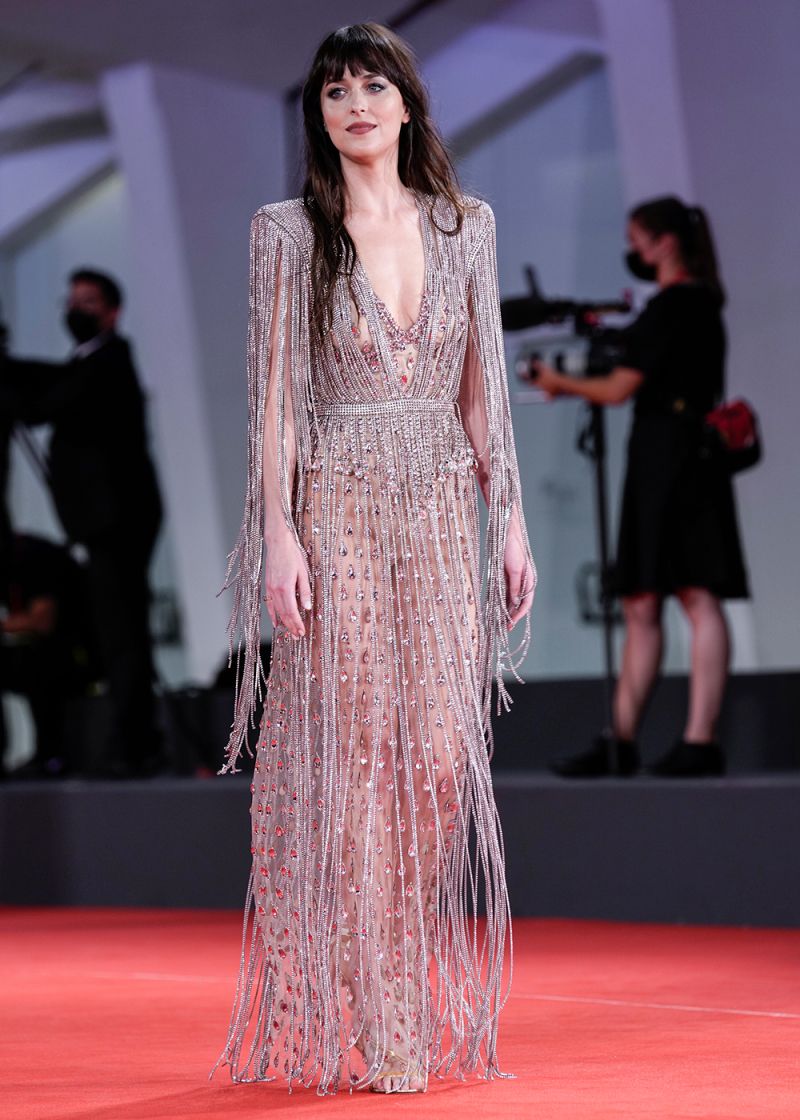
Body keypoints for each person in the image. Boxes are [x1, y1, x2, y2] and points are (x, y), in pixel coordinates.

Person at [212, 22, 535, 1096]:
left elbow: (481, 384)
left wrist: (513, 522)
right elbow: (273, 406)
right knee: (355, 756)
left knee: (439, 758)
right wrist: (276, 536)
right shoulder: (286, 232)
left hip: (442, 500)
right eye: (334, 89)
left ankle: (379, 949)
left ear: (407, 102)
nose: (354, 104)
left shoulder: (466, 224)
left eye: (372, 85)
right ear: (319, 112)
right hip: (338, 502)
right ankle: (384, 999)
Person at [534, 196, 749, 778]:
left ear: (665, 242)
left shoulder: (679, 305)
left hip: (673, 458)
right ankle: (622, 738)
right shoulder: (694, 304)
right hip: (668, 456)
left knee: (693, 596)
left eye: (638, 240)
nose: (633, 252)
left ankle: (697, 740)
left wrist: (558, 380)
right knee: (644, 599)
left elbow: (618, 389)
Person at [0, 269, 165, 777]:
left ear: (112, 311)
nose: (76, 309)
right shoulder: (87, 363)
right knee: (119, 628)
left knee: (121, 632)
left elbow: (49, 399)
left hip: (117, 522)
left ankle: (134, 746)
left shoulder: (110, 362)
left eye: (89, 301)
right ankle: (135, 741)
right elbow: (50, 383)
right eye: (71, 300)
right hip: (104, 525)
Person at [1, 532, 96, 778]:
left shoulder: (34, 558)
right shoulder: (13, 563)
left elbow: (42, 621)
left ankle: (50, 755)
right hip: (50, 653)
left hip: (82, 656)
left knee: (38, 663)